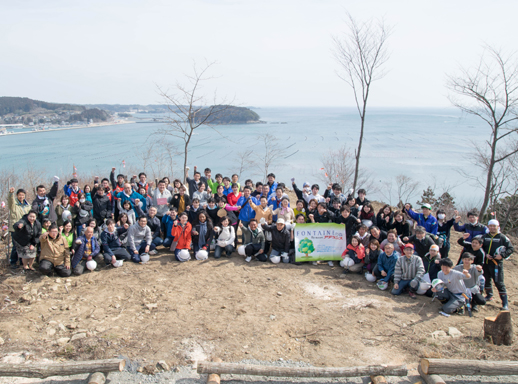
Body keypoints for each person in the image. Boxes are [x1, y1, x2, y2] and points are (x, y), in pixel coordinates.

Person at [481, 219, 514, 310]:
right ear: (488, 227)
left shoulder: (502, 237)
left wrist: (502, 255)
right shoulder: (484, 236)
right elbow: (480, 247)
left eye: (494, 226)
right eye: (490, 226)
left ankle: (505, 303)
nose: (492, 227)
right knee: (486, 280)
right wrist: (485, 254)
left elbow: (511, 248)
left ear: (497, 227)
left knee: (499, 283)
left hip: (496, 264)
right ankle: (489, 295)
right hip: (486, 263)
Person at [8, 187, 32, 268]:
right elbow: (10, 201)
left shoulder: (28, 205)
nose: (21, 196)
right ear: (17, 195)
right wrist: (11, 194)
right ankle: (13, 262)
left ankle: (23, 262)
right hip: (15, 228)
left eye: (23, 195)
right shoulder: (14, 204)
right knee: (16, 246)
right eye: (19, 195)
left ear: (25, 195)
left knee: (24, 246)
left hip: (24, 229)